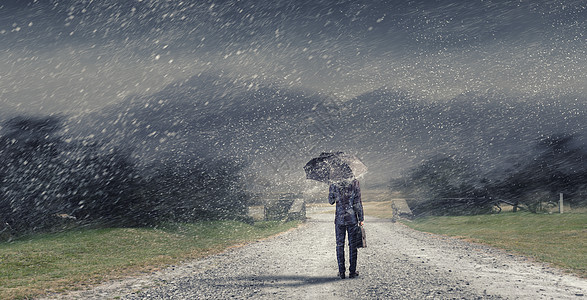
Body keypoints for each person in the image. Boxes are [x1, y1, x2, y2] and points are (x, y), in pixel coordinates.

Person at [328, 177, 364, 279]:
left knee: (339, 245)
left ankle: (341, 272)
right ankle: (352, 272)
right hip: (351, 218)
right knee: (352, 245)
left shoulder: (334, 182)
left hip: (339, 219)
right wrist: (361, 218)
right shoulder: (355, 182)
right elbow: (357, 203)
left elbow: (331, 201)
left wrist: (332, 189)